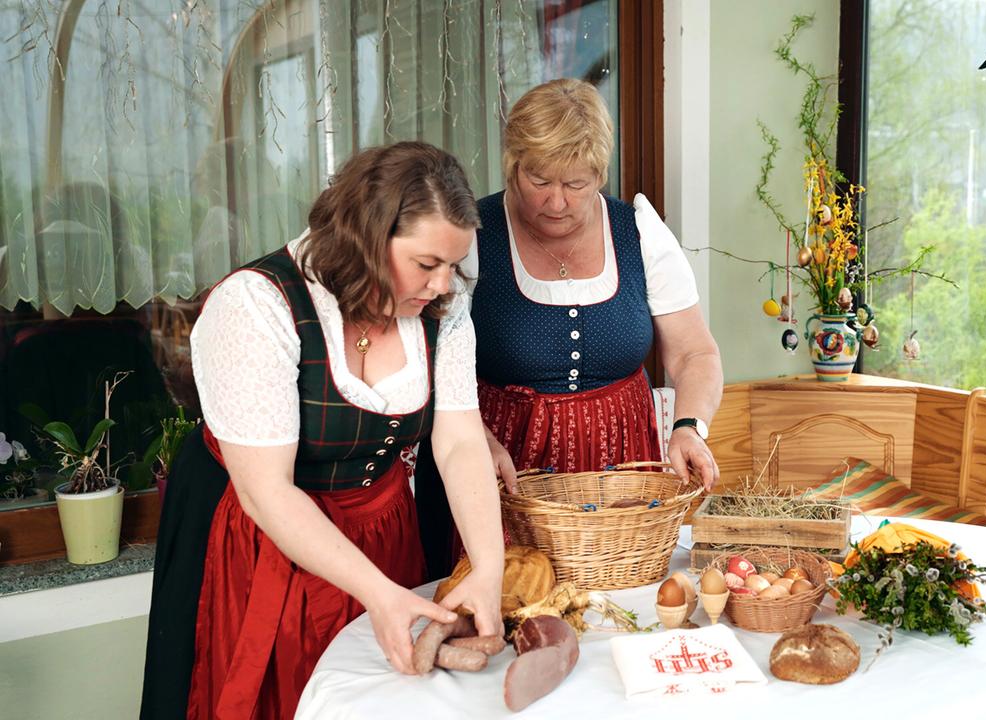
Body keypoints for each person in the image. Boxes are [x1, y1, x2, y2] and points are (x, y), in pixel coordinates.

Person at [140, 142, 505, 719]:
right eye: (427, 264)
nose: (443, 284)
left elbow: (459, 438)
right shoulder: (258, 305)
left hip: (383, 529)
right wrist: (378, 592)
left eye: (453, 265)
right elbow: (268, 491)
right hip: (265, 540)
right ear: (365, 239)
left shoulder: (443, 303)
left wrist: (489, 566)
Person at [416, 78, 723, 575]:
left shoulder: (638, 231)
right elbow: (426, 360)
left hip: (622, 468)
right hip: (504, 467)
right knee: (514, 600)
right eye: (539, 180)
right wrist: (474, 439)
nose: (556, 202)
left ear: (599, 175)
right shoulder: (471, 236)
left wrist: (689, 426)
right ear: (513, 166)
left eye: (575, 185)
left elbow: (694, 353)